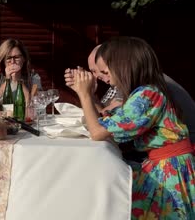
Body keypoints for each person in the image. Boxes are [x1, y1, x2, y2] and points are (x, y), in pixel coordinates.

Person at [71, 36, 195, 219]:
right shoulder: (146, 91)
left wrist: (85, 94)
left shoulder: (147, 95)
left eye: (107, 68)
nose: (104, 74)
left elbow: (97, 132)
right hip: (165, 165)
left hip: (169, 171)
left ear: (124, 65)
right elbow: (106, 125)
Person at [64, 44, 122, 114]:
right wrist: (91, 94)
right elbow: (101, 114)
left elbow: (104, 119)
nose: (94, 76)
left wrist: (84, 92)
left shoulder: (125, 85)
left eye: (94, 71)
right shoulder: (113, 86)